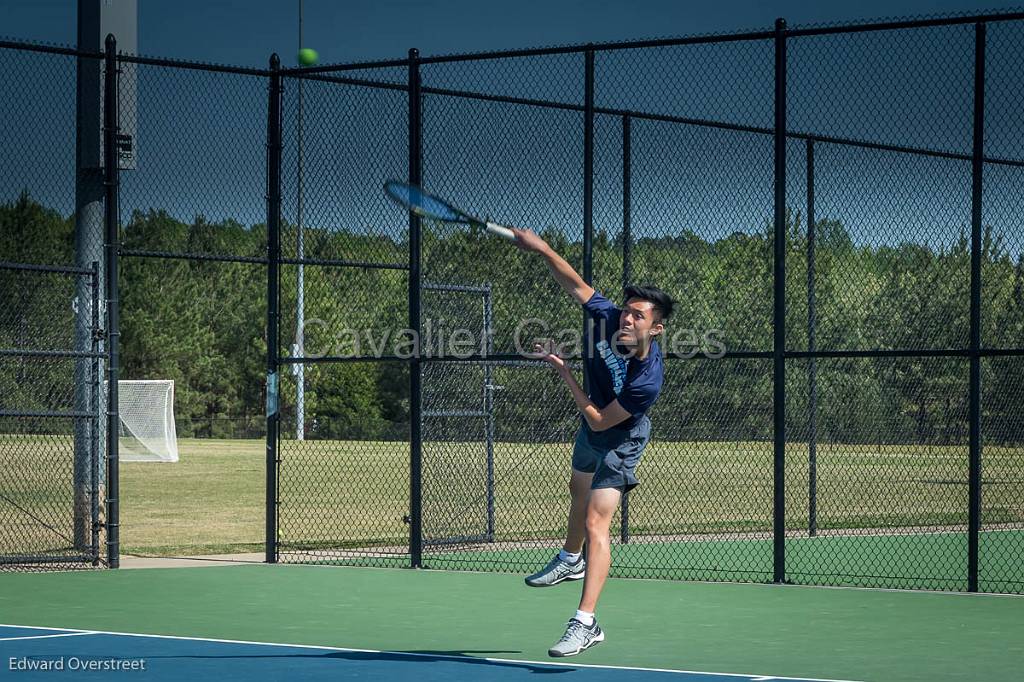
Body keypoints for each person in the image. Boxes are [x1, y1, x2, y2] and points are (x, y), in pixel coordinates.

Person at [511, 227, 673, 657]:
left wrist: (564, 372)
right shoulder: (606, 318)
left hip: (619, 436)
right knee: (577, 491)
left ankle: (585, 622)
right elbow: (575, 284)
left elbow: (602, 422)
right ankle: (570, 559)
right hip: (592, 425)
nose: (627, 318)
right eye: (627, 311)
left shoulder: (647, 381)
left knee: (596, 523)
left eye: (638, 315)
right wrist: (542, 248)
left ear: (654, 330)